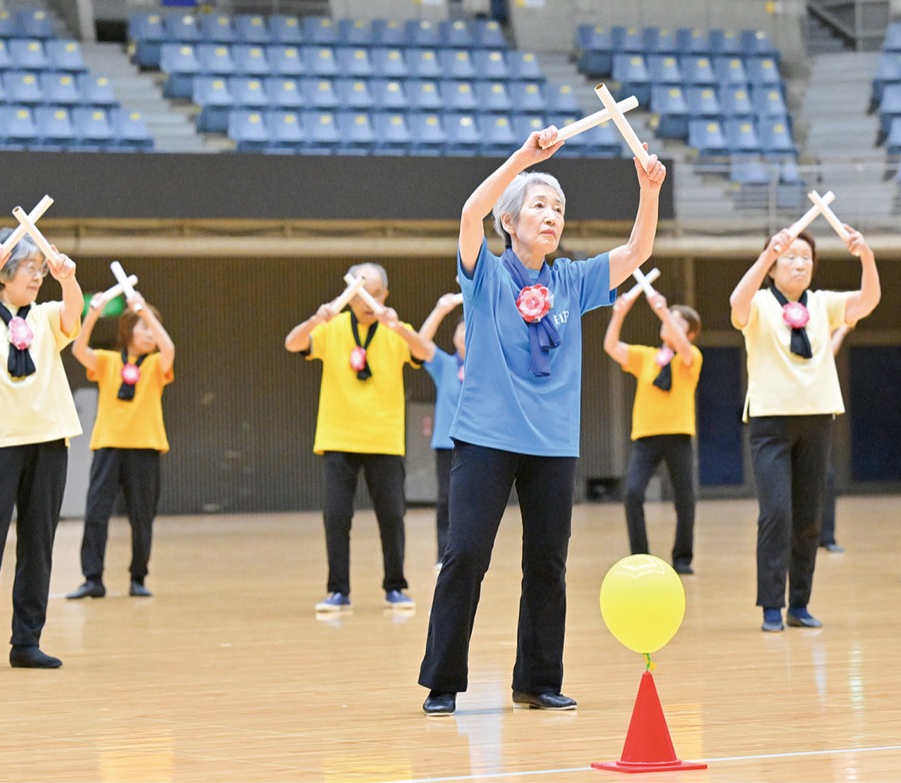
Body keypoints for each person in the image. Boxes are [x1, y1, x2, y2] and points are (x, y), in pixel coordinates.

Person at [418, 127, 667, 717]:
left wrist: (649, 191)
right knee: (466, 556)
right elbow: (469, 210)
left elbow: (637, 254)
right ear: (511, 220)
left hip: (554, 443)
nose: (551, 215)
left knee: (548, 564)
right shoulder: (487, 274)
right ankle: (444, 681)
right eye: (539, 205)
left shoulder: (572, 281)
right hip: (484, 439)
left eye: (558, 208)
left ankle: (537, 680)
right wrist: (526, 160)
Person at [0, 229, 83, 674]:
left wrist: (68, 279)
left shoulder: (44, 316)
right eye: (30, 267)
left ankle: (27, 641)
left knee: (38, 544)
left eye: (41, 268)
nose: (38, 276)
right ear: (3, 272)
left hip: (48, 439)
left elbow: (72, 317)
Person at [729, 228, 880, 633]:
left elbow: (867, 301)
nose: (799, 263)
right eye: (790, 256)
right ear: (774, 263)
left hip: (817, 419)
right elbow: (736, 305)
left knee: (809, 518)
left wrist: (865, 255)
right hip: (769, 422)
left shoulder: (824, 303)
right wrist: (764, 257)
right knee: (776, 513)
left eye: (806, 258)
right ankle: (771, 606)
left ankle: (800, 604)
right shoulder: (760, 303)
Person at [284, 263, 432, 613]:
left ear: (385, 295)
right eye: (362, 292)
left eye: (376, 292)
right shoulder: (332, 328)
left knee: (392, 517)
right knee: (336, 517)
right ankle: (338, 591)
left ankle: (395, 587)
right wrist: (314, 321)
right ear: (349, 296)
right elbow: (293, 343)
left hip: (384, 439)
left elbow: (425, 353)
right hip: (338, 438)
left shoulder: (396, 330)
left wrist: (398, 327)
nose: (369, 300)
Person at [66, 290, 176, 600]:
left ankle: (138, 577)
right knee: (96, 514)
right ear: (128, 330)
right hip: (109, 446)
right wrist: (93, 314)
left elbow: (169, 348)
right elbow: (78, 348)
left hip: (146, 448)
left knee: (142, 516)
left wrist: (147, 313)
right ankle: (92, 579)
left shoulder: (155, 364)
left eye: (152, 327)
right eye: (143, 327)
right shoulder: (108, 361)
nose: (149, 334)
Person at [603, 288, 702, 574]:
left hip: (679, 436)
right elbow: (611, 346)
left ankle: (682, 559)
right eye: (668, 318)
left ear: (690, 334)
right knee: (632, 493)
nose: (668, 321)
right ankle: (639, 556)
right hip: (646, 438)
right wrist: (619, 314)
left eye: (678, 321)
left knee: (685, 499)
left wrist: (662, 310)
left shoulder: (691, 356)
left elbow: (683, 349)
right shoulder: (646, 357)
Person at [417, 292, 466, 572]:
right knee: (446, 498)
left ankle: (468, 553)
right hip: (447, 443)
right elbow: (421, 344)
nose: (464, 333)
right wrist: (440, 309)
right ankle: (443, 553)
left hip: (479, 442)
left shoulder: (487, 363)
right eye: (460, 328)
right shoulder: (445, 365)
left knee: (474, 500)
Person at [819, 323, 854, 554]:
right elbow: (825, 356)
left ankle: (827, 537)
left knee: (827, 478)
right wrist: (841, 331)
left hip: (818, 421)